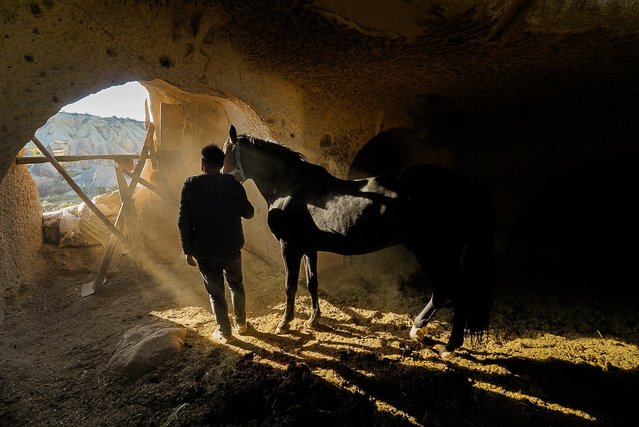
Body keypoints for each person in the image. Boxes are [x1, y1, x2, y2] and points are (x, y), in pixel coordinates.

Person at [178, 143, 255, 344]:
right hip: (231, 247)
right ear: (221, 164)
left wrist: (187, 250)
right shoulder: (232, 184)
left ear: (203, 163)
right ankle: (242, 324)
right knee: (236, 286)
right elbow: (249, 213)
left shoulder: (190, 186)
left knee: (216, 293)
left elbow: (184, 222)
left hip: (205, 252)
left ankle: (224, 331)